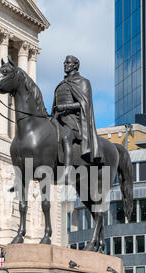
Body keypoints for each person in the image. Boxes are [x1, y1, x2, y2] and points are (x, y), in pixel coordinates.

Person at [52, 55, 104, 183]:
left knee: (66, 136)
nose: (65, 64)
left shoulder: (83, 82)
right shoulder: (61, 84)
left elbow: (84, 104)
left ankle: (67, 171)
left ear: (75, 65)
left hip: (74, 119)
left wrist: (64, 107)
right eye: (64, 62)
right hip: (58, 118)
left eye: (68, 62)